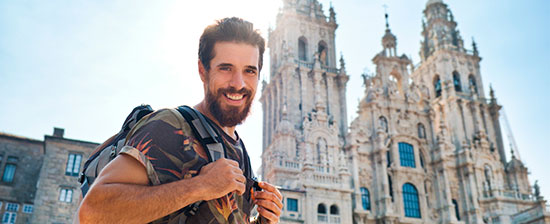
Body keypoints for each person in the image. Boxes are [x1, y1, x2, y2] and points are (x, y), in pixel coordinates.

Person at [78, 17, 283, 224]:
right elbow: (92, 212)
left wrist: (263, 220)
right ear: (203, 71)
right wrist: (200, 186)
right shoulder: (170, 126)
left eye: (249, 71)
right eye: (225, 68)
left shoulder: (241, 152)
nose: (238, 83)